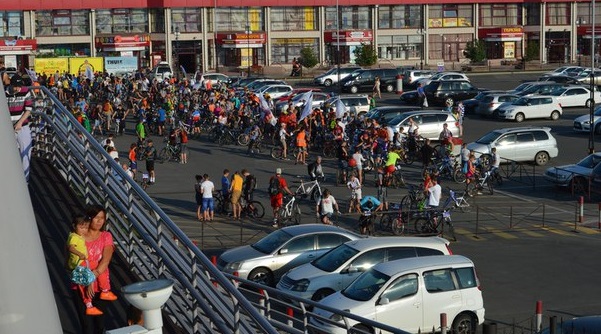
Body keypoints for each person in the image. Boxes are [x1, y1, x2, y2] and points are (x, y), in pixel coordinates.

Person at [72, 205, 117, 333]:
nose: (99, 221)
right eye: (96, 217)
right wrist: (88, 281)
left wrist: (92, 278)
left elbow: (105, 260)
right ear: (89, 218)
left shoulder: (106, 236)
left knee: (99, 325)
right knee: (86, 326)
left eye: (102, 218)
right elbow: (74, 263)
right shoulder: (78, 237)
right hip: (81, 287)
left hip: (100, 288)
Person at [67, 215, 103, 316]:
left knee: (86, 280)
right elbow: (71, 248)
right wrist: (79, 254)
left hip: (81, 263)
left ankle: (89, 303)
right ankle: (88, 304)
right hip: (79, 264)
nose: (84, 230)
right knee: (85, 282)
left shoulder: (78, 236)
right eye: (81, 227)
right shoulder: (74, 237)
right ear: (74, 226)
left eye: (86, 228)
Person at [6, 74, 34, 182]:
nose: (18, 88)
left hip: (22, 126)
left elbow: (28, 109)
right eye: (15, 86)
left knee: (26, 152)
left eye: (19, 86)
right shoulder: (5, 92)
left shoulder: (25, 91)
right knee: (10, 155)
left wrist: (20, 123)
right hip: (9, 128)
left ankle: (25, 180)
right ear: (11, 85)